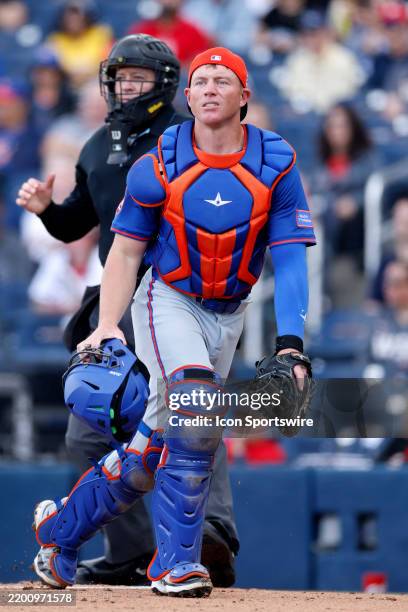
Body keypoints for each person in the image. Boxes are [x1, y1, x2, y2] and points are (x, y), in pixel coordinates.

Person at [30, 46, 316, 597]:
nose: (209, 87)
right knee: (197, 406)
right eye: (200, 80)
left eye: (222, 80)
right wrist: (108, 323)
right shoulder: (158, 161)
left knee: (149, 450)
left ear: (244, 96)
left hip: (229, 311)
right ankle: (176, 564)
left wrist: (290, 345)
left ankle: (60, 534)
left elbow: (290, 256)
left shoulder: (277, 162)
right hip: (167, 299)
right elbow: (126, 253)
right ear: (187, 96)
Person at [17, 35, 238, 588]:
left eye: (138, 78)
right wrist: (47, 210)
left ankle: (210, 533)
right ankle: (131, 552)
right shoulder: (97, 146)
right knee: (89, 431)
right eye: (120, 78)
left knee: (191, 410)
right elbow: (76, 224)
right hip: (114, 300)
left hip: (179, 294)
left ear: (164, 84)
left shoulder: (188, 139)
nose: (127, 87)